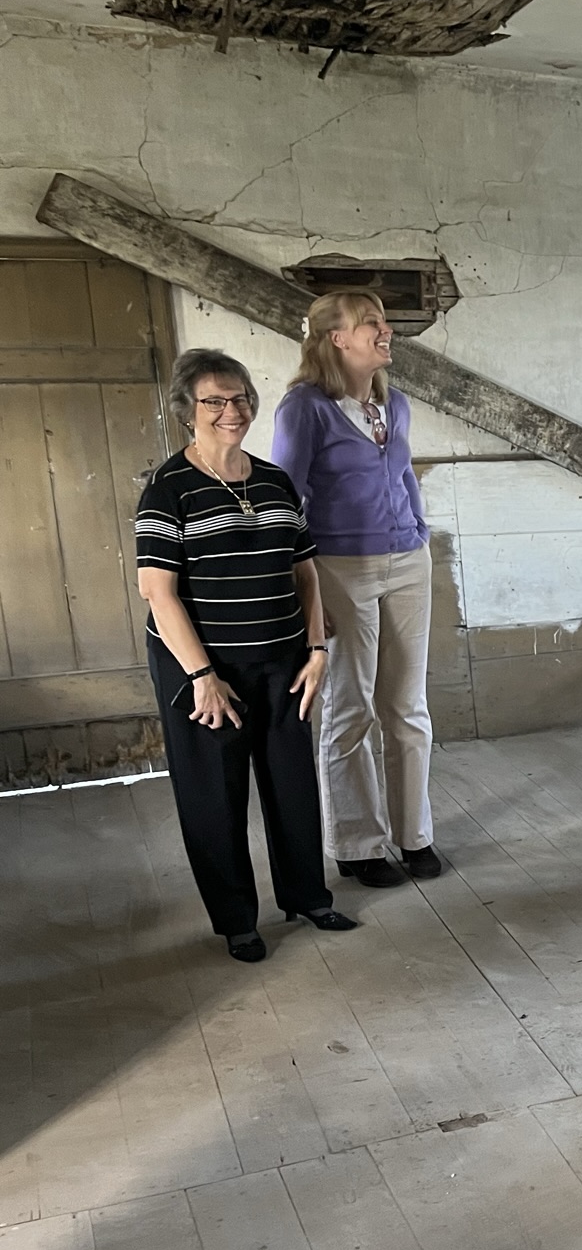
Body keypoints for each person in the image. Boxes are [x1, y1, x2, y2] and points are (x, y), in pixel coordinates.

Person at [136, 349, 357, 961]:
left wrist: (316, 649)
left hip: (285, 658)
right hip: (208, 669)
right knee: (215, 792)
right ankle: (237, 919)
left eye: (240, 398)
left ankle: (308, 897)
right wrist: (202, 676)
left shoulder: (274, 479)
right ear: (188, 411)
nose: (231, 411)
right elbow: (158, 593)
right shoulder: (167, 489)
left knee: (291, 782)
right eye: (215, 400)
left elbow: (306, 572)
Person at [271, 291, 442, 891]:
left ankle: (414, 834)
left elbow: (403, 477)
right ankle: (356, 843)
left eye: (383, 321)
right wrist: (302, 582)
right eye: (370, 322)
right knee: (350, 708)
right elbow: (285, 499)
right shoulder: (304, 409)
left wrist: (418, 533)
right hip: (341, 567)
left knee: (407, 707)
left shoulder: (393, 403)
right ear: (335, 338)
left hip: (407, 561)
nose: (384, 330)